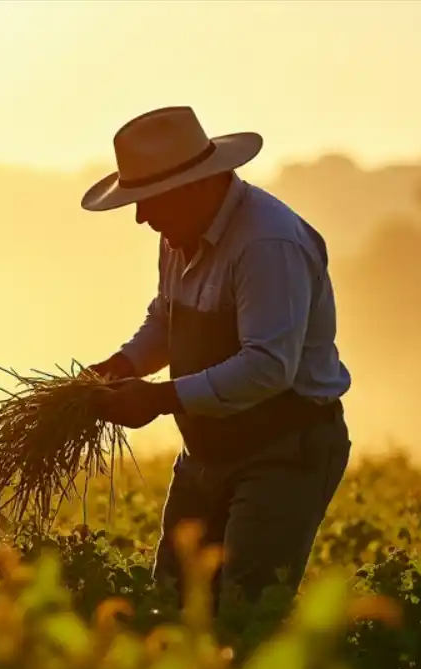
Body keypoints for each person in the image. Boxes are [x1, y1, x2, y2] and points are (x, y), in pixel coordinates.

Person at [80, 107, 353, 606]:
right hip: (206, 451)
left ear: (198, 185)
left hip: (283, 450)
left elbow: (270, 367)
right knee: (174, 601)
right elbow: (167, 319)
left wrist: (159, 399)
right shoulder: (179, 233)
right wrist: (118, 367)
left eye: (148, 201)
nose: (141, 217)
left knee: (245, 608)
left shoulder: (267, 243)